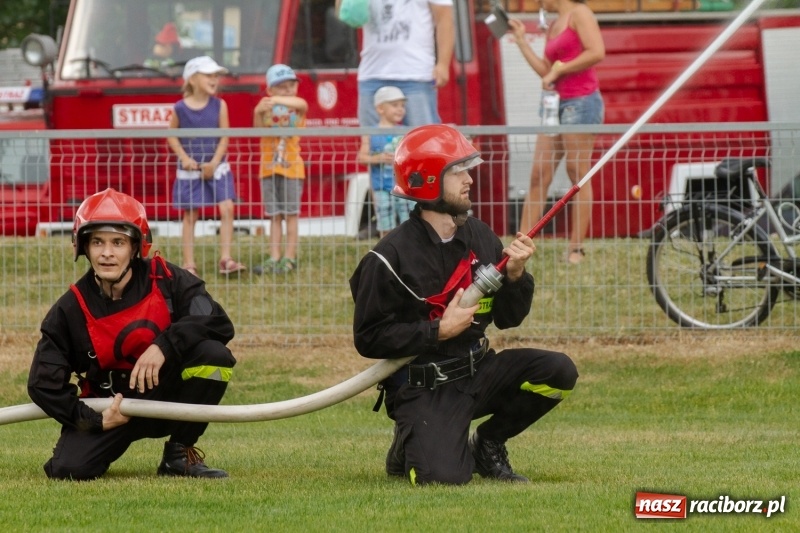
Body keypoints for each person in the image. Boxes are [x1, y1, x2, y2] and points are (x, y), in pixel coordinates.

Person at [349, 125, 578, 486]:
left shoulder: (480, 236)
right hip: (426, 386)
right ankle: (410, 443)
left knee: (558, 372)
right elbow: (369, 338)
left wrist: (516, 276)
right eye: (457, 171)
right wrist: (437, 331)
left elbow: (508, 318)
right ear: (426, 180)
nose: (469, 179)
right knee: (444, 478)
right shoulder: (388, 258)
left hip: (478, 371)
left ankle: (488, 444)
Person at [27, 188, 236, 480]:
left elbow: (219, 323)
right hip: (112, 409)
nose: (107, 253)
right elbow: (42, 384)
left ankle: (179, 453)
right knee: (69, 470)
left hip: (168, 401)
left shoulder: (169, 280)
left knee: (214, 357)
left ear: (137, 246)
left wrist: (164, 345)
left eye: (118, 242)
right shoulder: (70, 309)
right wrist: (93, 421)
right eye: (97, 242)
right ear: (83, 247)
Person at [508, 0, 605, 265]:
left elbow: (597, 51)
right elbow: (545, 70)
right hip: (555, 104)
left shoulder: (580, 13)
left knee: (576, 171)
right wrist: (521, 41)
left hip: (581, 102)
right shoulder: (553, 25)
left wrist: (560, 68)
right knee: (539, 174)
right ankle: (521, 244)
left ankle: (576, 248)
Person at [167, 55, 246, 277]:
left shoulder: (220, 105)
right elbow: (172, 135)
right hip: (190, 169)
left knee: (227, 207)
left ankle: (226, 258)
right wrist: (184, 158)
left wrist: (214, 161)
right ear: (192, 79)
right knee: (190, 214)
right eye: (209, 75)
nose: (214, 80)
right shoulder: (180, 108)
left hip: (217, 167)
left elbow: (224, 136)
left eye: (216, 76)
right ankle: (189, 264)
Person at [336, 0, 455, 128]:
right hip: (372, 73)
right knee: (372, 143)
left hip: (415, 75)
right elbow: (342, 13)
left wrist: (443, 64)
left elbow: (444, 19)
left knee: (422, 141)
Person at [252, 64, 308, 275]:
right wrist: (259, 110)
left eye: (290, 85)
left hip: (292, 169)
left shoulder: (297, 107)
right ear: (270, 90)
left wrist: (276, 99)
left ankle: (289, 257)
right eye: (281, 87)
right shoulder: (265, 109)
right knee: (274, 215)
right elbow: (257, 130)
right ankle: (274, 256)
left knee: (291, 214)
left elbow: (302, 103)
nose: (287, 90)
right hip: (268, 169)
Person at [357, 86, 414, 238]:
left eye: (402, 105)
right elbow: (361, 157)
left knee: (409, 224)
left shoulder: (406, 132)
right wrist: (378, 158)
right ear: (381, 109)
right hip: (381, 187)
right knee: (385, 225)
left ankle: (408, 253)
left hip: (404, 188)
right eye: (395, 105)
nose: (400, 109)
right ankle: (386, 254)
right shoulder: (370, 133)